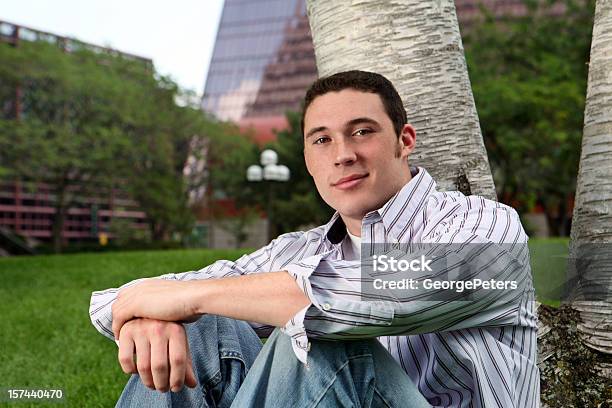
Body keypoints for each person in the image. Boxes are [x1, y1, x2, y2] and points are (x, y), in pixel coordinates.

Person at [90, 70, 539, 408]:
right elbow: (114, 302)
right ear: (307, 159)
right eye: (322, 140)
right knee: (203, 328)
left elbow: (352, 299)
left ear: (404, 140)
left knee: (322, 341)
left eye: (362, 131)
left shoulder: (483, 228)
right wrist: (148, 316)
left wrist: (185, 299)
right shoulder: (301, 250)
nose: (343, 154)